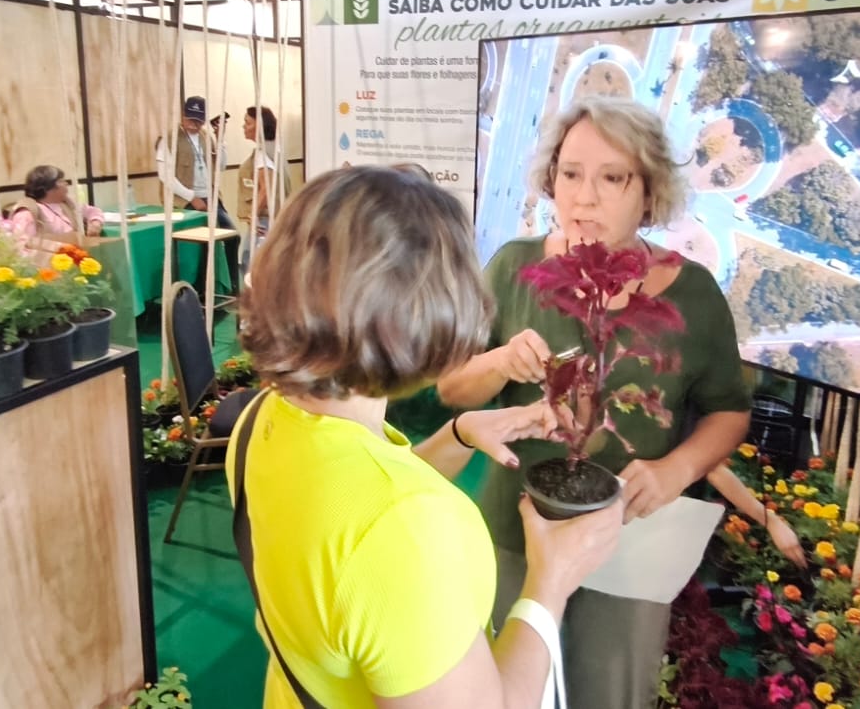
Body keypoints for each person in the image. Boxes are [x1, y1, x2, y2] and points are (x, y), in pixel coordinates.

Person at [231, 165, 623, 708]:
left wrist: (460, 433)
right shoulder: (413, 535)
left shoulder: (259, 422)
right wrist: (548, 587)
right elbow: (385, 537)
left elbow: (356, 521)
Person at [437, 96, 752, 709]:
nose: (585, 197)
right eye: (571, 173)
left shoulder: (692, 295)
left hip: (628, 541)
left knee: (611, 692)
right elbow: (453, 390)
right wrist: (500, 361)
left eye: (613, 178)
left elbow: (727, 410)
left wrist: (677, 469)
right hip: (515, 527)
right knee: (502, 688)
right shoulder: (514, 268)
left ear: (649, 192)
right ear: (550, 179)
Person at [157, 95, 241, 283]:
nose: (194, 125)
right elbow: (165, 176)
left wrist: (220, 141)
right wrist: (191, 197)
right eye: (190, 119)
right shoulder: (168, 139)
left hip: (210, 198)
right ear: (182, 116)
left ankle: (232, 286)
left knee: (232, 235)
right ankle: (197, 288)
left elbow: (220, 166)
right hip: (184, 203)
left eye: (198, 121)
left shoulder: (206, 137)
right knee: (196, 247)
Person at [8, 165, 103, 255]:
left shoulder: (67, 203)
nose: (66, 183)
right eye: (61, 181)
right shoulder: (27, 213)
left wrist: (95, 222)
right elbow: (21, 248)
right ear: (48, 186)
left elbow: (93, 211)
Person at [237, 105, 278, 266]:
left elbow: (266, 188)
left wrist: (253, 215)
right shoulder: (273, 149)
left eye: (247, 123)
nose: (244, 127)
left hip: (263, 220)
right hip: (266, 218)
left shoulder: (263, 154)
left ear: (259, 126)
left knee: (251, 263)